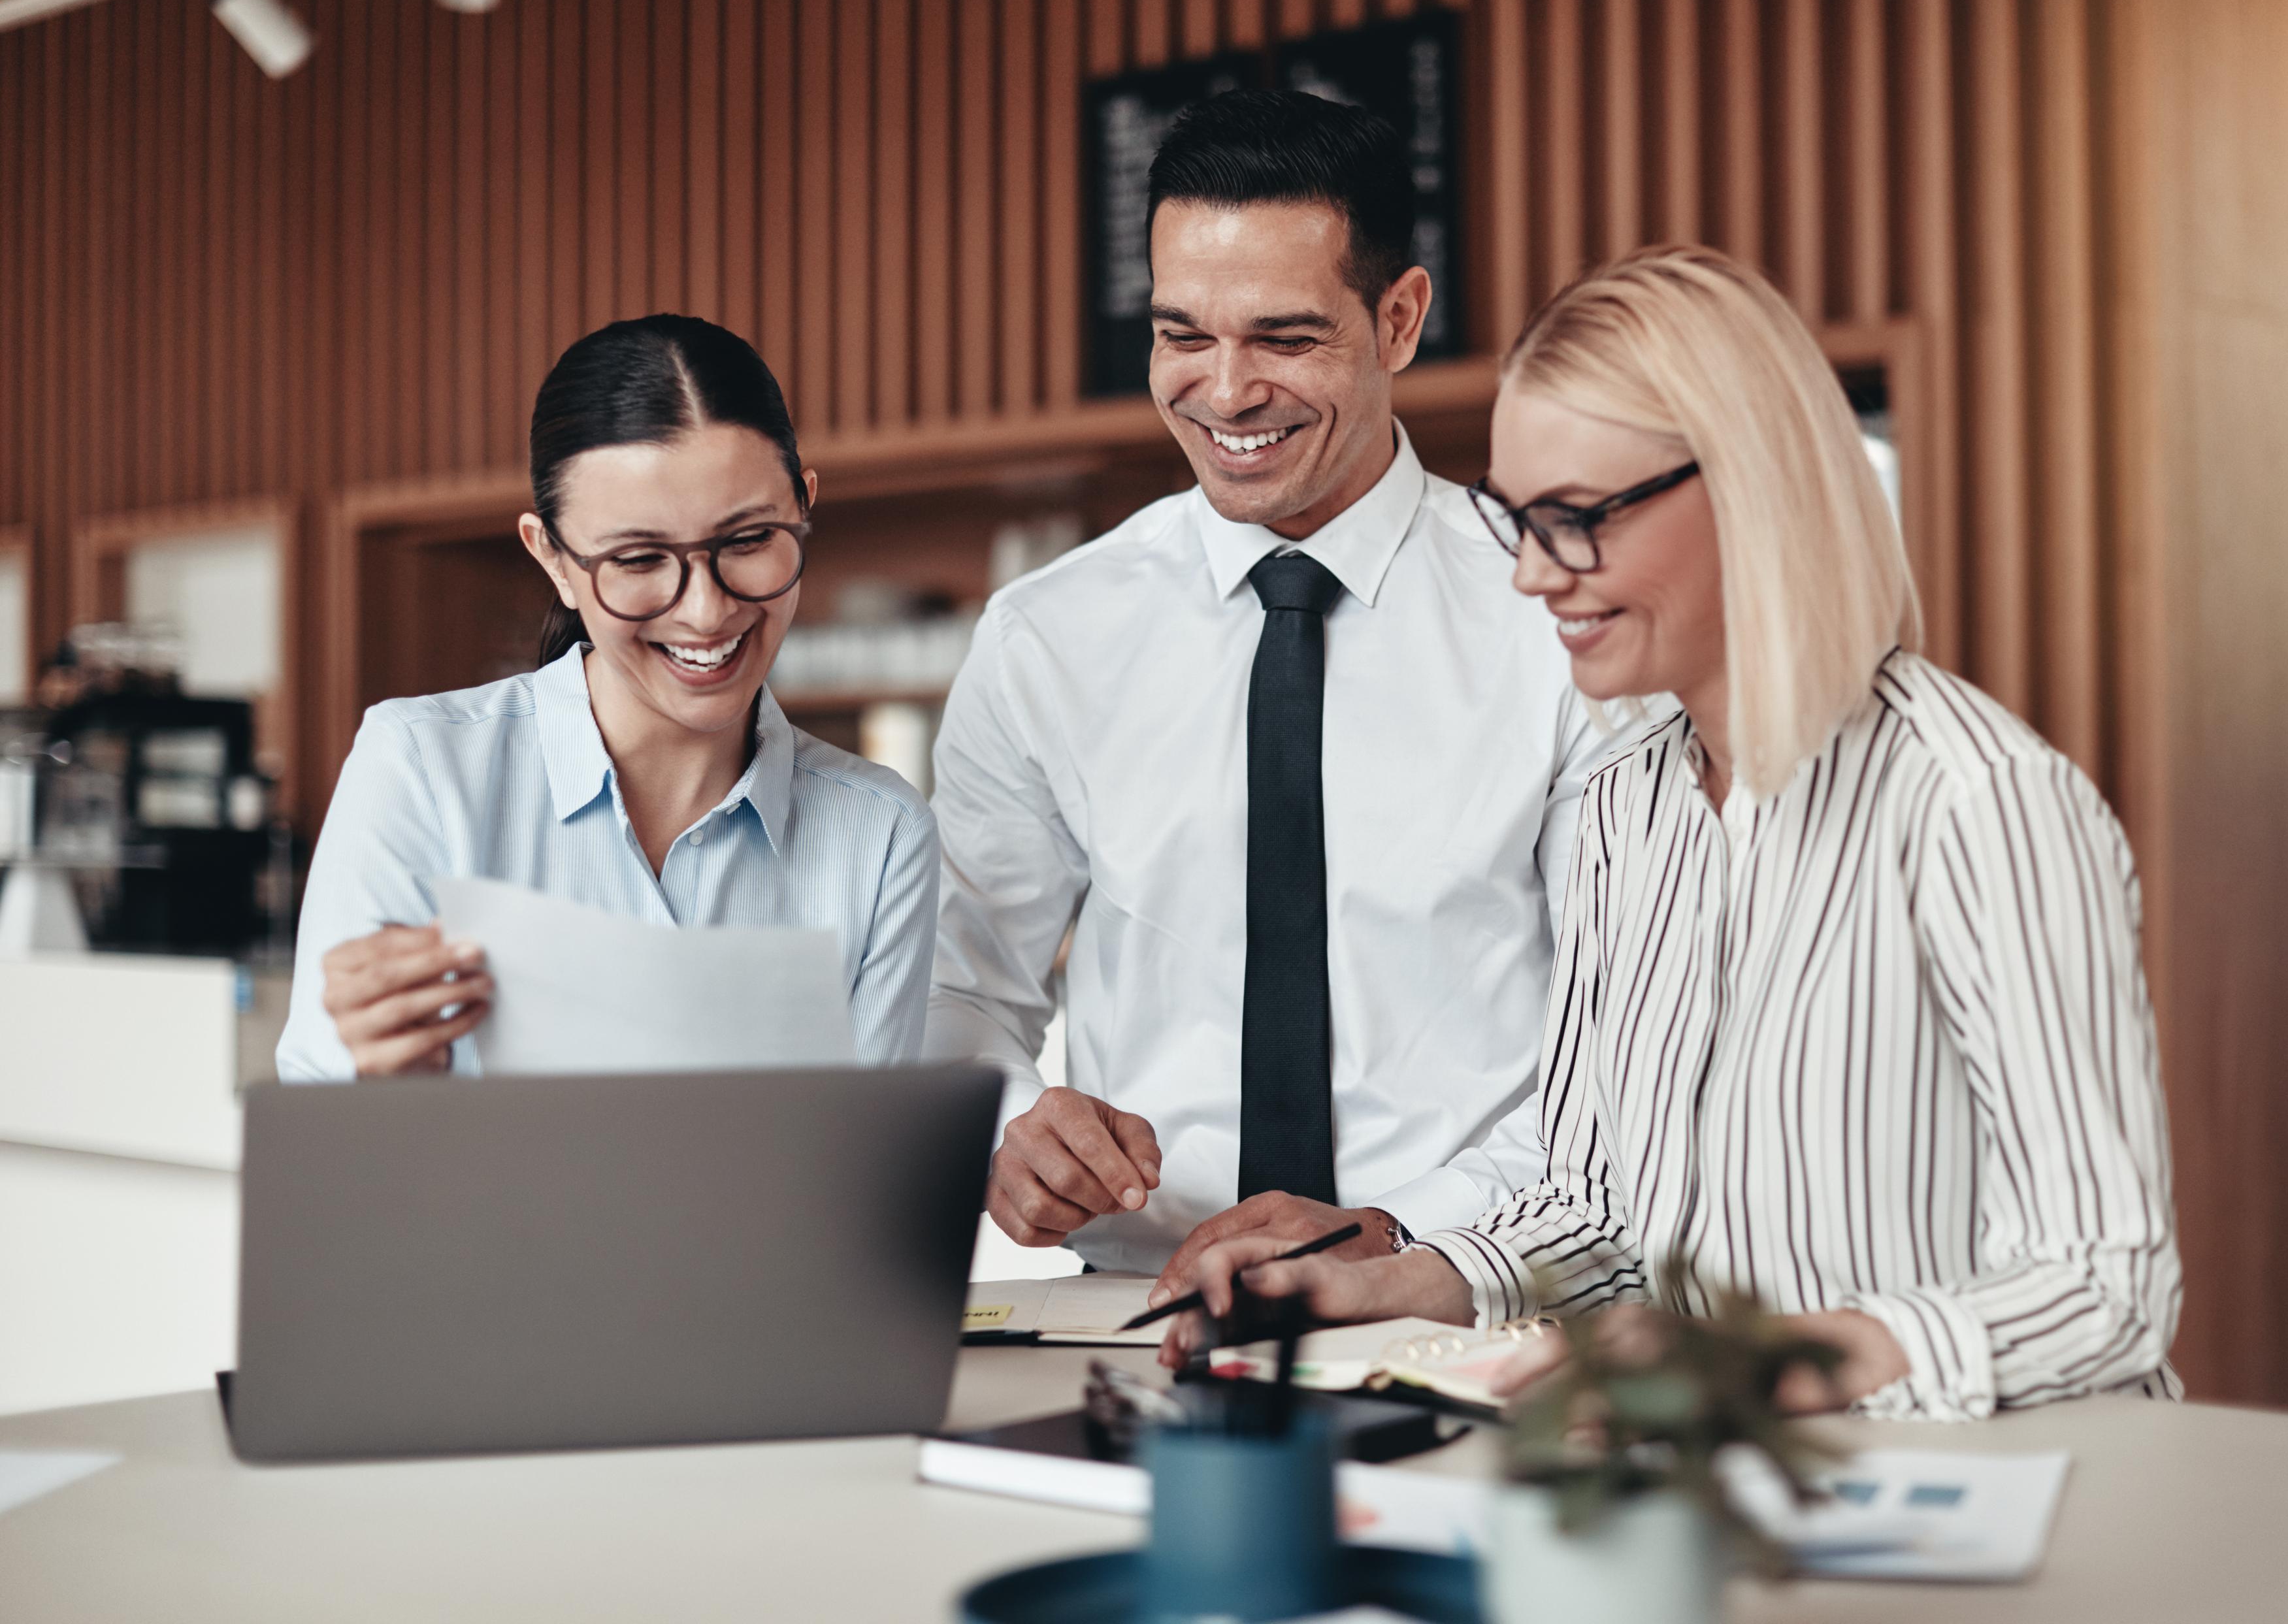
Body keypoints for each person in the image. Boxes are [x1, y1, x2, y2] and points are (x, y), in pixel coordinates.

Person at [1166, 247, 2182, 1421]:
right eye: (1517, 518)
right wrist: (1382, 1284)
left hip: (1988, 1515)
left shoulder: (1979, 805)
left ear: (1753, 486)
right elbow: (1599, 1213)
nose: (1535, 576)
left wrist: (1765, 1362)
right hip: (1708, 1500)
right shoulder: (1622, 813)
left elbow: (2109, 1287)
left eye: (1578, 518)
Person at [927, 90, 1613, 1284]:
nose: (1227, 392)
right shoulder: (1049, 636)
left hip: (1468, 1289)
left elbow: (1627, 1046)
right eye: (1182, 335)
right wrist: (1005, 1130)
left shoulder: (1558, 619)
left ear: (1398, 321)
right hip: (1146, 1308)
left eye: (1286, 339)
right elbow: (958, 982)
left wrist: (1406, 1238)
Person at [276, 316, 938, 1081]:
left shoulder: (881, 836)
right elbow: (326, 1141)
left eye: (750, 540)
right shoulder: (421, 768)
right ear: (552, 558)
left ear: (804, 506)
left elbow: (863, 1176)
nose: (705, 610)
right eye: (638, 558)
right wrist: (374, 1077)